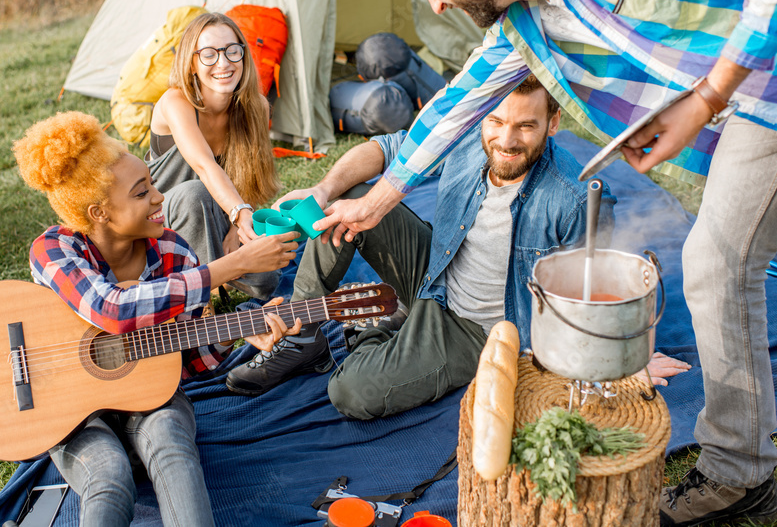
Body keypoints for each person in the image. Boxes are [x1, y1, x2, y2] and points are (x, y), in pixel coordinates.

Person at [318, 0, 777, 524]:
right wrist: (378, 199)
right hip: (769, 107)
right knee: (716, 264)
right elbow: (456, 104)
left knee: (714, 264)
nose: (434, 4)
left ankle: (738, 473)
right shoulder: (527, 26)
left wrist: (706, 96)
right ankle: (740, 475)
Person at [226, 76, 690, 410]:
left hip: (478, 328)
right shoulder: (467, 138)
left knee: (349, 394)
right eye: (497, 121)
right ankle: (303, 335)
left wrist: (620, 361)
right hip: (435, 270)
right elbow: (387, 150)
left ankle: (380, 328)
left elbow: (592, 292)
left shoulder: (574, 199)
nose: (506, 140)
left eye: (525, 126)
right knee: (345, 204)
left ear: (553, 123)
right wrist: (322, 190)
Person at [14, 111, 300, 527]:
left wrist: (242, 328)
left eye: (152, 183)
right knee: (108, 478)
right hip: (68, 404)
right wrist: (230, 267)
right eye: (141, 192)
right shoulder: (54, 250)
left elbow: (195, 360)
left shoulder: (173, 253)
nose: (159, 198)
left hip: (152, 397)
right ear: (100, 213)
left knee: (172, 448)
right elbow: (111, 310)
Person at [148, 12, 282, 300]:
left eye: (232, 51)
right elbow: (204, 165)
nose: (223, 63)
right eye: (209, 54)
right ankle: (194, 296)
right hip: (159, 226)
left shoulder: (255, 105)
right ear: (192, 63)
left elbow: (251, 178)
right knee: (193, 193)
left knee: (269, 280)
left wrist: (238, 229)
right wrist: (240, 213)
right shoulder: (175, 102)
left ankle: (214, 273)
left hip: (218, 218)